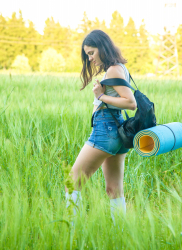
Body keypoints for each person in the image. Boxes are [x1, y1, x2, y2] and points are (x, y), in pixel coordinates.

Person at [65, 29, 137, 225]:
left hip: (105, 131)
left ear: (103, 48)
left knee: (72, 183)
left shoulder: (113, 69)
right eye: (87, 54)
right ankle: (120, 235)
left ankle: (70, 233)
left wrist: (100, 96)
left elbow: (131, 103)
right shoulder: (119, 67)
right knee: (114, 190)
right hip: (118, 132)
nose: (89, 59)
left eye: (91, 53)